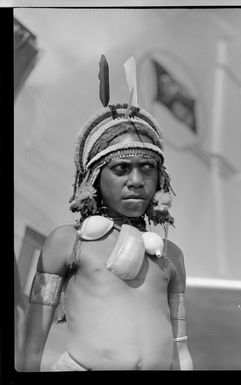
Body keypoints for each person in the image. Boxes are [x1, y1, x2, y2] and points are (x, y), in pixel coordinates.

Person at [22, 58, 193, 371]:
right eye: (121, 169)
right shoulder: (67, 242)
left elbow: (180, 347)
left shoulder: (172, 256)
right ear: (94, 178)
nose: (137, 181)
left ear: (160, 179)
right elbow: (31, 347)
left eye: (148, 169)